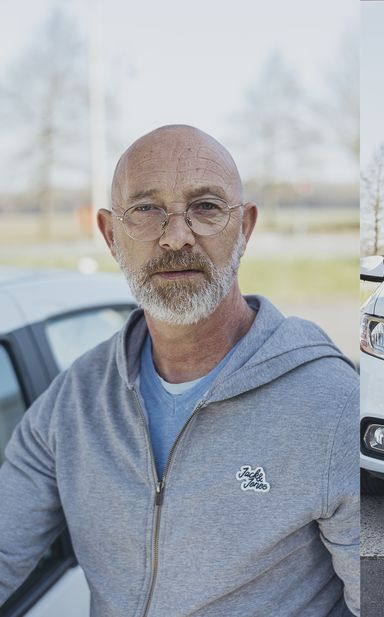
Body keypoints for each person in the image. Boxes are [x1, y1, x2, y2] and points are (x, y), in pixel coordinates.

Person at [0, 125, 360, 616]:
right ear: (110, 234)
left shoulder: (334, 406)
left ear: (245, 228)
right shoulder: (73, 404)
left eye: (206, 207)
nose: (175, 237)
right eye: (146, 209)